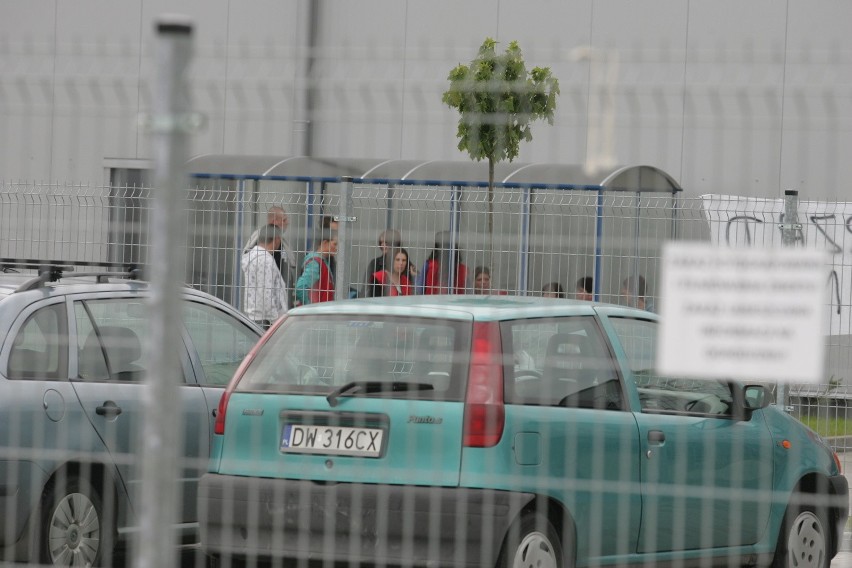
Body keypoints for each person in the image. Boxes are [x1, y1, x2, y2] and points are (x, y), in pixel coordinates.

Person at [244, 206, 298, 306]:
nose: (288, 223)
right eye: (284, 220)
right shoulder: (261, 238)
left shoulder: (282, 241)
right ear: (275, 221)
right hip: (266, 301)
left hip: (280, 297)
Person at [241, 225, 288, 329]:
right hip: (265, 320)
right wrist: (276, 321)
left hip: (256, 316)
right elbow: (267, 294)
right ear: (276, 239)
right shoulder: (266, 260)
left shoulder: (253, 256)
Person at [363, 229, 417, 297]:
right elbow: (366, 287)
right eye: (381, 242)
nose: (382, 245)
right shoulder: (375, 263)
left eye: (386, 242)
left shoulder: (406, 263)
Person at [295, 228, 338, 305]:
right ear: (325, 243)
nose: (336, 248)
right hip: (315, 314)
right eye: (334, 244)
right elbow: (300, 287)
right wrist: (310, 307)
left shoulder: (322, 261)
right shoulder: (315, 263)